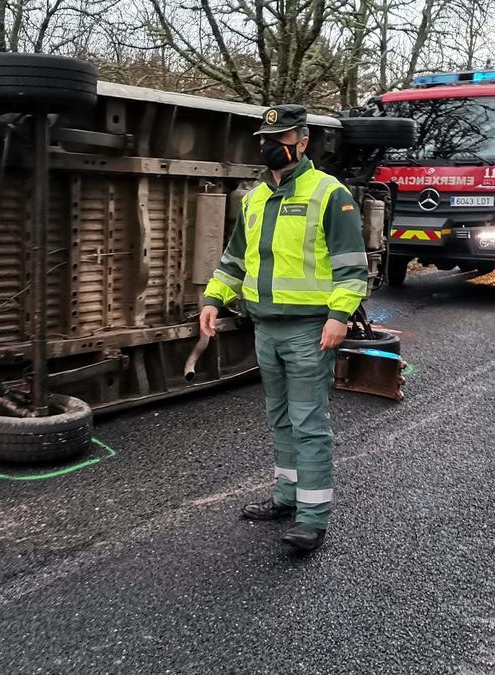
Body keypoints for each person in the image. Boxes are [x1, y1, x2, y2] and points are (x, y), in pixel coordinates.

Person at [199, 104, 368, 553]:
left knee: (308, 422)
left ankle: (312, 517)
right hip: (265, 327)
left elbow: (353, 268)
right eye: (265, 138)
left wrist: (339, 316)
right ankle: (287, 498)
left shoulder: (329, 193)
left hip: (310, 329)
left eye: (283, 137)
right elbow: (235, 259)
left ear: (304, 141)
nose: (271, 145)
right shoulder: (254, 198)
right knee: (279, 418)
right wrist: (214, 298)